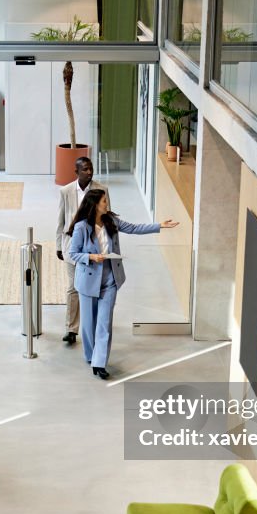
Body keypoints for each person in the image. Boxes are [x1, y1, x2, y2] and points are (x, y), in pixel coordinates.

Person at [68, 189, 178, 379]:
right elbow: (73, 253)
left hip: (110, 280)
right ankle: (90, 355)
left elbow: (134, 228)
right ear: (94, 204)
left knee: (104, 323)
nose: (106, 204)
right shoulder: (81, 227)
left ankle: (99, 362)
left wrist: (159, 225)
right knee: (88, 324)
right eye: (103, 201)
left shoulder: (111, 220)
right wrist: (91, 256)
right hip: (88, 281)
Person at [55, 157, 109, 346]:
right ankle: (71, 329)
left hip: (93, 249)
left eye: (90, 168)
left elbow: (107, 217)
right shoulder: (66, 191)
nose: (89, 172)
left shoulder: (101, 190)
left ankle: (92, 325)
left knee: (92, 288)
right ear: (76, 172)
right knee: (73, 288)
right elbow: (60, 220)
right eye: (85, 169)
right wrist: (58, 246)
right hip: (72, 247)